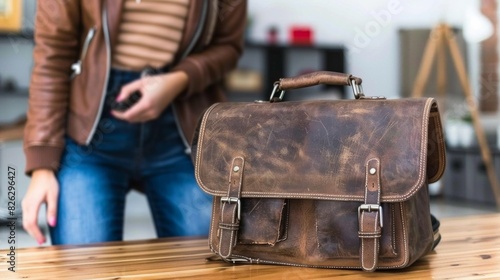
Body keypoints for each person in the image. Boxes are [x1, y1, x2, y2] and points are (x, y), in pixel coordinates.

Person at [22, 0, 246, 245]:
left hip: (183, 131)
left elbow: (227, 46)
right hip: (88, 135)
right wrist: (42, 167)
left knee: (210, 258)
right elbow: (53, 56)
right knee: (83, 265)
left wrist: (179, 80)